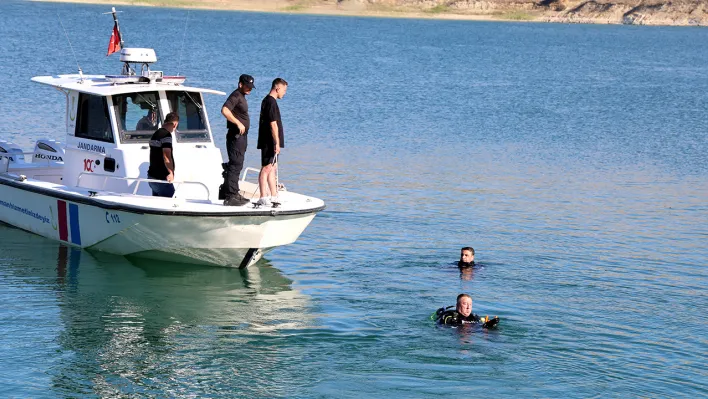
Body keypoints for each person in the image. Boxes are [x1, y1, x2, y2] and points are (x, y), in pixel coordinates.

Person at [221, 74, 255, 206]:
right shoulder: (235, 95)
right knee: (235, 164)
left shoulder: (242, 96)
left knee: (238, 163)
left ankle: (233, 192)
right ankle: (230, 197)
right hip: (235, 136)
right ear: (240, 84)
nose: (249, 89)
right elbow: (224, 110)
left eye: (251, 87)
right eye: (247, 86)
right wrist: (238, 123)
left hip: (241, 137)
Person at [256, 78, 288, 206]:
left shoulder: (268, 101)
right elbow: (273, 123)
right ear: (277, 88)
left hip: (270, 141)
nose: (284, 93)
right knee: (266, 167)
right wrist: (277, 142)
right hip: (269, 141)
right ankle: (263, 196)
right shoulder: (270, 102)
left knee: (273, 167)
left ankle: (274, 195)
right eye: (284, 90)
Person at [147, 112, 179, 197]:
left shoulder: (155, 134)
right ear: (174, 124)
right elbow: (166, 156)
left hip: (152, 177)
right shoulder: (166, 135)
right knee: (171, 203)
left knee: (157, 203)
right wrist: (170, 173)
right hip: (162, 179)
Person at [434, 294, 499, 328]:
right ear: (457, 306)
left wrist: (488, 325)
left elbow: (480, 328)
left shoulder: (474, 317)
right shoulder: (448, 317)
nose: (468, 307)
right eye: (465, 304)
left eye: (470, 304)